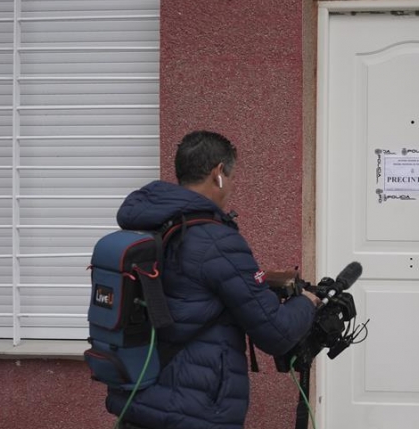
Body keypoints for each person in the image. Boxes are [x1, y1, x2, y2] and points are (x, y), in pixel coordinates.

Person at [106, 130, 320, 429]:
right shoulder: (215, 240)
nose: (231, 186)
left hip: (140, 397)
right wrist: (307, 304)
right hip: (194, 411)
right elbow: (276, 332)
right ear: (218, 173)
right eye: (231, 177)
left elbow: (188, 292)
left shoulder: (148, 226)